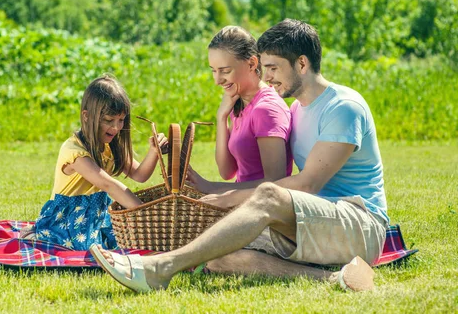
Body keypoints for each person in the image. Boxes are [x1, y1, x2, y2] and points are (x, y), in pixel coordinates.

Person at [89, 19, 388, 292]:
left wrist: (230, 197)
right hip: (312, 219)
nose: (267, 77)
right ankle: (336, 278)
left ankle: (159, 268)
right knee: (217, 255)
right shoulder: (297, 109)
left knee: (268, 194)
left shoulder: (343, 108)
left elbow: (307, 184)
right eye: (265, 68)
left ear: (301, 63)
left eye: (273, 68)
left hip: (359, 223)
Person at [30, 74, 167, 250]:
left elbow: (139, 175)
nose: (117, 127)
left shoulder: (110, 146)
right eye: (109, 120)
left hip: (97, 215)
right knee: (95, 250)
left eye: (121, 120)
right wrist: (144, 215)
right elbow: (108, 184)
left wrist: (154, 151)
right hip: (67, 219)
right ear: (86, 116)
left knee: (130, 241)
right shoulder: (74, 152)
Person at [186, 25, 293, 200]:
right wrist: (221, 118)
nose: (217, 80)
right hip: (242, 203)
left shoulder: (266, 109)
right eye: (214, 71)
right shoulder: (240, 102)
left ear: (252, 63)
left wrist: (212, 187)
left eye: (225, 71)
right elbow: (226, 171)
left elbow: (275, 183)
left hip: (261, 209)